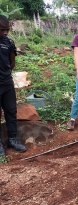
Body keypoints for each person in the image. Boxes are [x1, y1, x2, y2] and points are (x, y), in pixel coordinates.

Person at [0, 15, 27, 156]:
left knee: (11, 111)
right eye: (2, 29)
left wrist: (5, 73)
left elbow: (12, 62)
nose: (5, 32)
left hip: (7, 82)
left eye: (7, 30)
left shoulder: (9, 43)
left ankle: (13, 139)